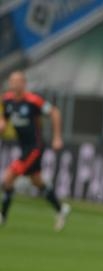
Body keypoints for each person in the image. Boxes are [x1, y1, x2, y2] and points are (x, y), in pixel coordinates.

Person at [0, 70, 70, 230]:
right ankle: (61, 209)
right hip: (23, 146)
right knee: (36, 180)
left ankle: (2, 216)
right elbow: (4, 117)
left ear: (24, 83)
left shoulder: (33, 100)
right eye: (12, 81)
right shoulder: (8, 100)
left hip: (35, 147)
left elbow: (54, 112)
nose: (14, 84)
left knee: (9, 176)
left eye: (18, 81)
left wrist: (57, 137)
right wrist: (2, 123)